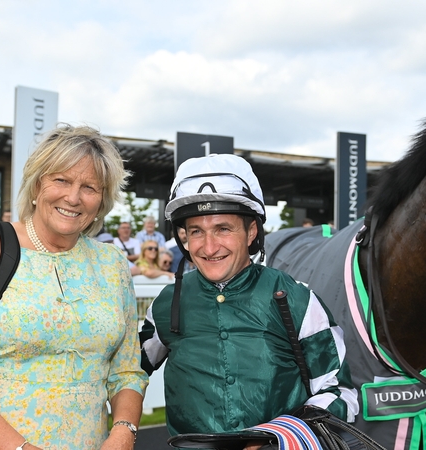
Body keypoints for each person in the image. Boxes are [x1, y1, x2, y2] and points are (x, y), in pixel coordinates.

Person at [0, 124, 148, 449]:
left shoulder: (112, 265)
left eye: (90, 187)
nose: (73, 197)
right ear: (37, 183)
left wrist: (124, 430)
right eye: (62, 180)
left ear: (102, 200)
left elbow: (127, 370)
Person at [140, 154, 358, 445]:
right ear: (184, 239)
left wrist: (282, 434)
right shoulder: (167, 303)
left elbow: (340, 392)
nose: (209, 246)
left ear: (251, 231)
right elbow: (126, 370)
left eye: (223, 229)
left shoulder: (296, 298)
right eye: (196, 232)